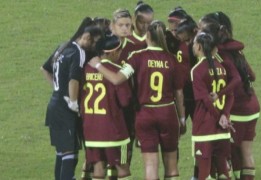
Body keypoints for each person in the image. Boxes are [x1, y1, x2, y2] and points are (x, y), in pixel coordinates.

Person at [88, 20, 185, 180]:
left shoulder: (137, 57)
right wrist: (181, 119)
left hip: (145, 114)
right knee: (171, 165)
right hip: (168, 113)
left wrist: (98, 66)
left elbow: (117, 79)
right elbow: (179, 93)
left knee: (150, 165)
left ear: (147, 36)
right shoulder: (172, 59)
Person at [40, 17, 102, 180]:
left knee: (61, 151)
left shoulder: (62, 47)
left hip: (54, 106)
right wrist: (73, 102)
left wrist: (57, 89)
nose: (94, 47)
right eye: (94, 42)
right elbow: (74, 79)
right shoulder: (79, 52)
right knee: (70, 153)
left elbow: (45, 69)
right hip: (65, 110)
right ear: (86, 37)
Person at [201, 12, 260, 180]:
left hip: (238, 110)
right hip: (253, 107)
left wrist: (219, 94)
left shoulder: (218, 55)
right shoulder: (237, 50)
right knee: (246, 152)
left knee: (225, 154)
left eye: (202, 29)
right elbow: (252, 76)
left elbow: (235, 80)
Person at [81, 35, 132, 180]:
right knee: (123, 168)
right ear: (113, 52)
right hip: (113, 130)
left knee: (98, 169)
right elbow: (125, 101)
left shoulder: (87, 69)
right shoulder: (116, 71)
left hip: (91, 129)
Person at [191, 30, 234, 180]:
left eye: (195, 43)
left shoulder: (197, 70)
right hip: (222, 129)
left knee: (204, 174)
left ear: (200, 47)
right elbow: (230, 95)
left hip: (205, 128)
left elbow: (206, 100)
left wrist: (218, 117)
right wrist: (225, 116)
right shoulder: (221, 67)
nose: (193, 45)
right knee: (223, 172)